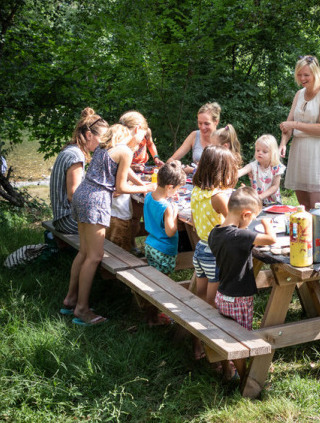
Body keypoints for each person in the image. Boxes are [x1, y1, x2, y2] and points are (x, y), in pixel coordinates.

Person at [61, 111, 157, 326]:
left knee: (84, 252)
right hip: (96, 201)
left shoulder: (107, 144)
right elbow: (121, 187)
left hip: (82, 195)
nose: (144, 140)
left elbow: (120, 175)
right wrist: (149, 186)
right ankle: (82, 309)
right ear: (136, 130)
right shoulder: (125, 151)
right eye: (144, 135)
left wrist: (141, 185)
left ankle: (70, 299)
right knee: (95, 256)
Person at [208, 187, 277, 381]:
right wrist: (265, 221)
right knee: (240, 342)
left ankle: (227, 370)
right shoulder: (241, 237)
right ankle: (245, 376)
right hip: (239, 299)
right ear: (246, 214)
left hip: (222, 295)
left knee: (227, 336)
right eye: (252, 218)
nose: (251, 222)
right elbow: (270, 239)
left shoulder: (215, 233)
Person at [189, 145, 238, 357]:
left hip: (200, 249)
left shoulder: (197, 191)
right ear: (222, 171)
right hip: (215, 254)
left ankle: (196, 343)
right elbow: (233, 224)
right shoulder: (218, 197)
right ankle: (211, 350)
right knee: (211, 305)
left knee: (200, 297)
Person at [279, 55, 320, 209]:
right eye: (299, 74)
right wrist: (283, 143)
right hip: (298, 150)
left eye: (306, 75)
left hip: (317, 151)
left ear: (315, 74)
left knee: (318, 209)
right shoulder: (298, 94)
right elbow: (287, 126)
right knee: (303, 208)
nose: (302, 78)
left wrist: (295, 124)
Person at [50, 108, 109, 235]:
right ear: (89, 135)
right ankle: (115, 253)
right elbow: (73, 195)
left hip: (64, 216)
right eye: (103, 138)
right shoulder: (76, 156)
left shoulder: (72, 150)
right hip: (66, 219)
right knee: (112, 222)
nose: (104, 143)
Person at [142, 160, 187, 326]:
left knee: (154, 282)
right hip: (163, 250)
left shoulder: (148, 196)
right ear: (169, 187)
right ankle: (154, 316)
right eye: (176, 189)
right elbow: (170, 231)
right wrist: (174, 214)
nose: (176, 192)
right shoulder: (167, 207)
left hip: (150, 244)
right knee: (160, 286)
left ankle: (150, 315)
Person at [165, 102, 221, 174]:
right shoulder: (194, 135)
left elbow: (223, 173)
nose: (202, 127)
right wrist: (176, 165)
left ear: (216, 121)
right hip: (193, 183)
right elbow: (171, 160)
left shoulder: (223, 139)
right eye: (200, 123)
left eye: (206, 123)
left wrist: (192, 170)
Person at [238, 134, 286, 205]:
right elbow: (242, 171)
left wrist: (260, 196)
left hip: (273, 202)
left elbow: (275, 186)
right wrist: (233, 175)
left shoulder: (276, 167)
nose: (260, 153)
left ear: (272, 153)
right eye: (257, 150)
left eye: (264, 151)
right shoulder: (253, 165)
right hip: (258, 201)